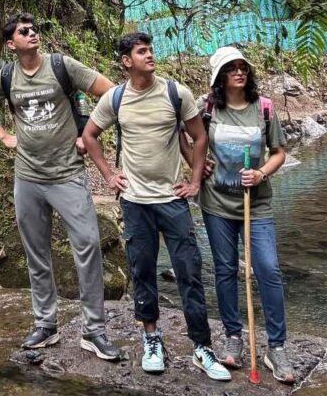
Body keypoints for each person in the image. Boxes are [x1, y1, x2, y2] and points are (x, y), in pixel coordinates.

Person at [0, 12, 121, 361]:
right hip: (28, 177)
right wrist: (4, 135)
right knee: (36, 253)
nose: (32, 33)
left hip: (67, 174)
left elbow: (111, 93)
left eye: (34, 29)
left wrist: (88, 133)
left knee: (88, 245)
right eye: (24, 31)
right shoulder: (6, 76)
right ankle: (45, 325)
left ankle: (94, 330)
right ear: (11, 44)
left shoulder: (61, 65)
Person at [81, 32, 231, 382]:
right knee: (142, 270)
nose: (149, 56)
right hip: (135, 203)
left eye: (150, 50)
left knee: (189, 272)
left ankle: (201, 347)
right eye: (141, 51)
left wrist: (193, 181)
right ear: (126, 61)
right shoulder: (115, 99)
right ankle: (152, 340)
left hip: (172, 200)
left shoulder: (175, 93)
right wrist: (109, 175)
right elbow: (89, 135)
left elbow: (199, 136)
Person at [195, 46, 293, 385]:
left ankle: (276, 347)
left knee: (268, 269)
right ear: (220, 76)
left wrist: (262, 173)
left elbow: (279, 153)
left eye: (243, 67)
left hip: (257, 202)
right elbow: (188, 136)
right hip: (217, 204)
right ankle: (233, 337)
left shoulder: (263, 108)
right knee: (224, 270)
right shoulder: (207, 108)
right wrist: (198, 163)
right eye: (232, 68)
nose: (239, 72)